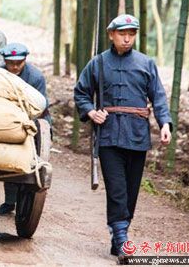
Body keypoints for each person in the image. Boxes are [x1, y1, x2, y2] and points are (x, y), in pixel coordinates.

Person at [74, 14, 172, 260]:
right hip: (108, 136)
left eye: (131, 34)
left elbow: (158, 97)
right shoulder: (97, 63)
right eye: (122, 33)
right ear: (111, 34)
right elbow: (81, 93)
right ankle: (123, 241)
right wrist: (90, 112)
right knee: (117, 190)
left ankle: (118, 237)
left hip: (137, 136)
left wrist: (165, 123)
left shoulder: (146, 63)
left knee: (130, 192)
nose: (127, 38)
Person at [0, 42, 51, 216]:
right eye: (11, 63)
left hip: (33, 122)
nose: (15, 66)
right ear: (5, 61)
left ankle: (26, 203)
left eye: (19, 62)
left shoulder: (35, 77)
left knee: (29, 163)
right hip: (5, 121)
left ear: (25, 60)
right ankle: (10, 201)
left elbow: (41, 108)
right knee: (9, 160)